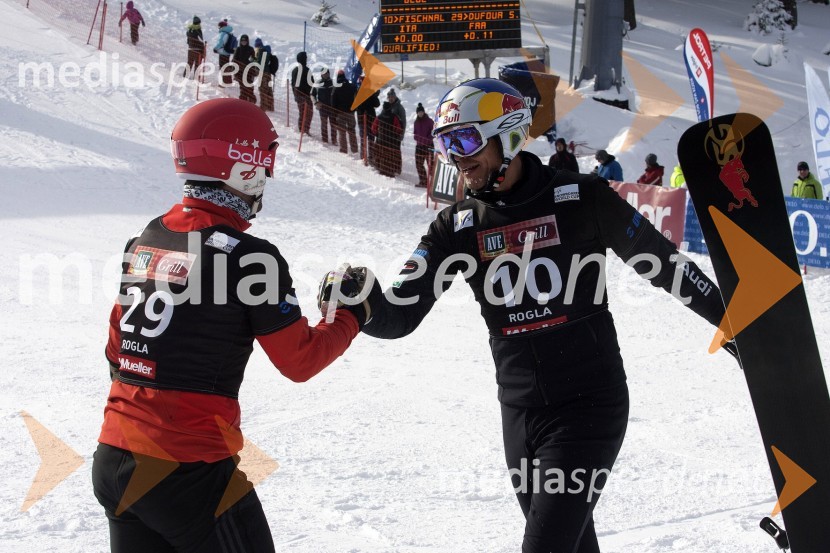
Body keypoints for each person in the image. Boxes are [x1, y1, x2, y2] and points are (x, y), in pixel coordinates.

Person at [320, 79, 731, 553]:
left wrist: (734, 324)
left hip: (589, 407)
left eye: (467, 139)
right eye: (446, 143)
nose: (456, 155)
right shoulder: (457, 227)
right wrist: (362, 303)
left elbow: (666, 266)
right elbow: (400, 316)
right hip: (519, 414)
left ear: (509, 134)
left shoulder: (583, 198)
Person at [91, 98, 370, 553]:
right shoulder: (250, 257)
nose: (267, 178)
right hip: (186, 472)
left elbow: (117, 352)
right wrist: (351, 314)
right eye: (264, 162)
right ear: (241, 167)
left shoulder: (146, 237)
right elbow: (300, 361)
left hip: (114, 458)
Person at [371, 101, 403, 177]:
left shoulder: (379, 117)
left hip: (380, 141)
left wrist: (377, 134)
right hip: (391, 141)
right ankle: (390, 171)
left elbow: (373, 128)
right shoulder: (394, 117)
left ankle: (380, 169)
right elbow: (398, 129)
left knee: (380, 155)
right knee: (389, 157)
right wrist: (395, 135)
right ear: (390, 108)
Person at [331, 69, 359, 154]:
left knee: (342, 132)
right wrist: (354, 109)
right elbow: (357, 98)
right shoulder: (352, 86)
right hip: (350, 113)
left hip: (340, 113)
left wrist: (334, 114)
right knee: (352, 131)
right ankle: (355, 150)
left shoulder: (336, 88)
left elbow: (333, 102)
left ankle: (343, 150)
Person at [355, 82, 380, 163]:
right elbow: (376, 104)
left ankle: (368, 157)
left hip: (367, 119)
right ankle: (365, 156)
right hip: (364, 119)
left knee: (368, 139)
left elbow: (377, 104)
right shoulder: (360, 93)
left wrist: (374, 95)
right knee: (366, 138)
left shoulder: (368, 93)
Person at [312, 69, 337, 145]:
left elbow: (337, 94)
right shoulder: (318, 83)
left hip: (332, 108)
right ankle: (325, 140)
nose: (325, 75)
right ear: (321, 74)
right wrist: (315, 102)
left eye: (327, 73)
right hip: (322, 107)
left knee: (333, 124)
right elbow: (312, 94)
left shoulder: (333, 82)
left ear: (329, 74)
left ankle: (334, 140)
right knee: (324, 124)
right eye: (323, 74)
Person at [291, 51, 313, 134]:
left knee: (302, 113)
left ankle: (302, 129)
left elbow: (292, 83)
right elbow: (311, 82)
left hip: (298, 94)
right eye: (305, 58)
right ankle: (305, 130)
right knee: (308, 113)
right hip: (305, 95)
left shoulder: (294, 70)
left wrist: (295, 93)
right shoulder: (307, 70)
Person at [413, 103, 434, 188]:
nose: (420, 113)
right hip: (419, 146)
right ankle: (423, 181)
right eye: (419, 112)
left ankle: (434, 183)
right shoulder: (416, 122)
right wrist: (416, 137)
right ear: (417, 113)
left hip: (429, 146)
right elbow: (415, 132)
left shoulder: (429, 121)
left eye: (421, 112)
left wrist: (429, 138)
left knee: (431, 165)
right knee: (419, 165)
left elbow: (434, 131)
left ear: (424, 112)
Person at [232, 35, 256, 103]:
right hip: (240, 72)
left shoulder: (251, 49)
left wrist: (254, 71)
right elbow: (234, 60)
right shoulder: (238, 49)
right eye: (242, 41)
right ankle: (243, 102)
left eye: (245, 41)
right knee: (242, 88)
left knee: (250, 87)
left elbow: (253, 60)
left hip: (249, 71)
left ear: (247, 41)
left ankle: (251, 103)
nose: (243, 42)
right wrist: (234, 71)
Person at [256, 44, 278, 112]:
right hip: (268, 72)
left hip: (262, 73)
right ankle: (270, 107)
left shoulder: (261, 52)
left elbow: (259, 63)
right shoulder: (267, 53)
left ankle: (263, 107)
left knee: (263, 90)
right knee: (269, 90)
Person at [213, 19, 234, 87]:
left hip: (222, 53)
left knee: (222, 68)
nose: (218, 28)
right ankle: (228, 81)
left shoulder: (223, 33)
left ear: (221, 26)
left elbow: (220, 43)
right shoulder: (228, 33)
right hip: (227, 52)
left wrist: (215, 49)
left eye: (219, 26)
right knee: (226, 67)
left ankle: (224, 83)